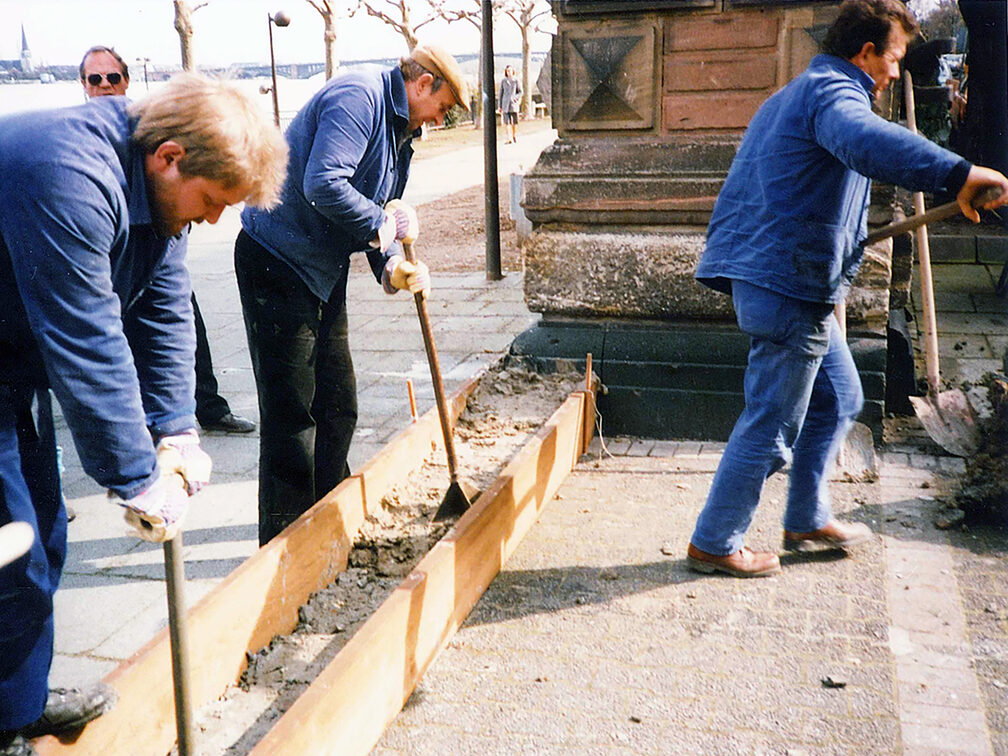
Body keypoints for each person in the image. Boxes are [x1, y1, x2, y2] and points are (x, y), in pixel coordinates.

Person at [0, 73, 287, 755]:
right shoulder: (66, 173)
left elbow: (162, 308)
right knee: (12, 554)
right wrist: (134, 475)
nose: (214, 220)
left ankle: (17, 703)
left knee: (42, 531)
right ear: (168, 158)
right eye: (213, 202)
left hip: (9, 356)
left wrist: (178, 429)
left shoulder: (160, 196)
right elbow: (86, 337)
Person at [686, 0, 1008, 578]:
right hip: (786, 284)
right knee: (772, 421)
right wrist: (960, 174)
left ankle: (806, 517)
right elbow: (866, 141)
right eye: (894, 59)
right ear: (864, 53)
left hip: (780, 276)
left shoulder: (797, 93)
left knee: (839, 397)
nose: (895, 74)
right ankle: (715, 539)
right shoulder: (836, 95)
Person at [236, 43, 469, 546]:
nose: (443, 118)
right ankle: (286, 544)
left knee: (339, 402)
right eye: (444, 105)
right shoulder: (358, 97)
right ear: (423, 83)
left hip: (320, 268)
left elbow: (378, 210)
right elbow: (323, 184)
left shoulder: (403, 131)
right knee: (292, 414)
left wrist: (394, 269)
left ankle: (330, 518)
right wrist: (382, 222)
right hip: (276, 259)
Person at [79, 46, 258, 435]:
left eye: (113, 77)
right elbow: (84, 333)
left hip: (144, 249)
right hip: (97, 266)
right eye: (96, 79)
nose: (105, 85)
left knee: (179, 318)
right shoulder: (83, 162)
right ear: (84, 85)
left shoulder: (156, 137)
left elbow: (168, 317)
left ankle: (204, 406)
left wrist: (178, 431)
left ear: (126, 81)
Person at [499, 64, 521, 144]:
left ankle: (514, 135)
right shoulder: (503, 81)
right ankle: (509, 138)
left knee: (514, 122)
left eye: (510, 71)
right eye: (507, 71)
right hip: (505, 105)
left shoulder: (516, 80)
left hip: (513, 104)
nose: (509, 72)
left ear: (513, 71)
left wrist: (515, 98)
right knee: (507, 122)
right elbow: (501, 93)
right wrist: (500, 106)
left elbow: (520, 92)